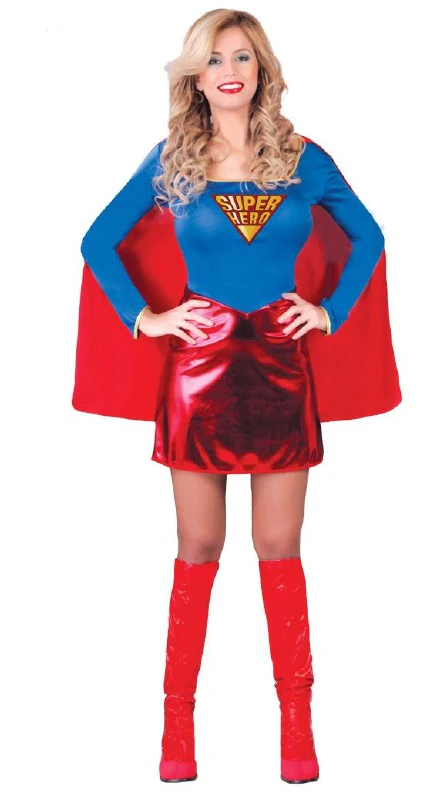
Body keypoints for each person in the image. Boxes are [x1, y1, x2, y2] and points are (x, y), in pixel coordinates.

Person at [74, 8, 401, 785]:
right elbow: (97, 240)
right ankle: (176, 728)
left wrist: (329, 310)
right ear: (195, 75)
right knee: (198, 546)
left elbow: (369, 237)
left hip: (282, 369)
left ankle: (296, 729)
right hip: (199, 370)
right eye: (215, 58)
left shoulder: (301, 158)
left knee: (278, 546)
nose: (230, 70)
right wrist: (147, 318)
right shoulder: (173, 162)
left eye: (244, 57)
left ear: (262, 72)